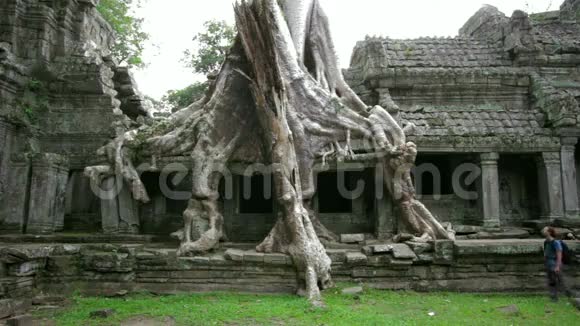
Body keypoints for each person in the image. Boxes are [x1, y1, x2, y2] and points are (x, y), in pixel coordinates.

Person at [542, 226, 566, 302]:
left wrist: (557, 266)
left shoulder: (555, 242)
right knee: (551, 280)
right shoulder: (546, 241)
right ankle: (553, 296)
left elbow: (559, 254)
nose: (543, 231)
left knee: (555, 280)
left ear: (549, 232)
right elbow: (546, 252)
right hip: (548, 262)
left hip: (554, 262)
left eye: (545, 230)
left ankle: (556, 297)